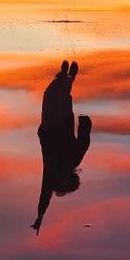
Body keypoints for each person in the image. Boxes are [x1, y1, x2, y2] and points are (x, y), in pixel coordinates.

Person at [31, 60, 92, 234]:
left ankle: (63, 76)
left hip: (48, 126)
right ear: (69, 178)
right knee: (63, 95)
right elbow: (84, 143)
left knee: (49, 94)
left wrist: (40, 216)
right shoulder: (74, 159)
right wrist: (85, 125)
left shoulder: (51, 174)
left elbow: (45, 196)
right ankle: (69, 77)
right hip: (63, 122)